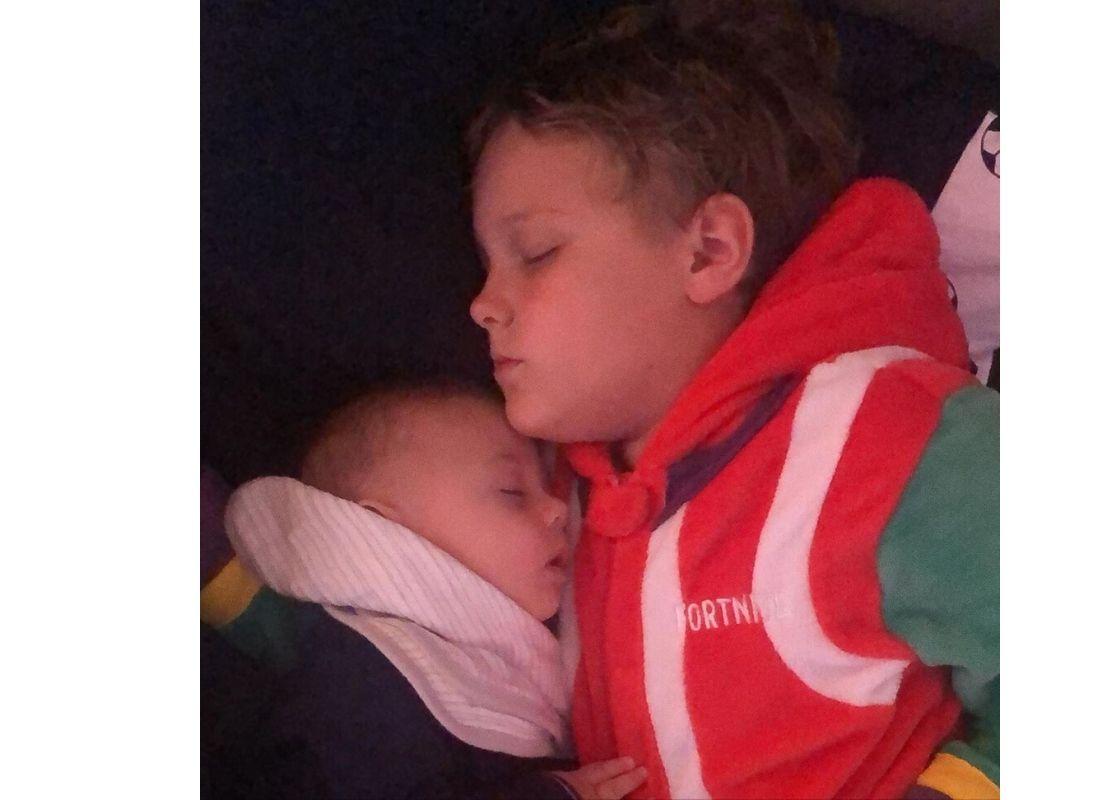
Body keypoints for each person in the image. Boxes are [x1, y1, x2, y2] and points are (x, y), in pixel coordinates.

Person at [466, 1, 999, 798]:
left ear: (709, 250)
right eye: (484, 265)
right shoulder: (548, 501)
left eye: (536, 253)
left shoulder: (890, 440)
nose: (482, 304)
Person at [200, 380, 647, 799]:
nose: (556, 510)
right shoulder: (363, 681)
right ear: (384, 533)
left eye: (544, 488)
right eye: (512, 492)